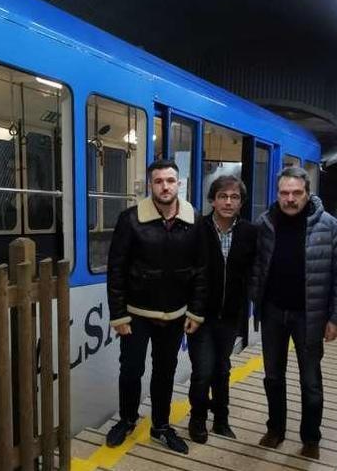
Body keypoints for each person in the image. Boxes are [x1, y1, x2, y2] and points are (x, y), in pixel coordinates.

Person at [251, 167, 337, 460]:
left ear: (307, 193)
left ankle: (311, 438)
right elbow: (255, 266)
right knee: (273, 376)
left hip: (309, 317)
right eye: (284, 193)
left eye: (296, 193)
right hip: (273, 313)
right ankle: (275, 430)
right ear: (278, 194)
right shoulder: (265, 223)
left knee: (310, 381)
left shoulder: (330, 227)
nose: (290, 199)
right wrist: (253, 295)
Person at [105, 159, 207, 454]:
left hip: (176, 314)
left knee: (166, 371)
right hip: (136, 314)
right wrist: (118, 314)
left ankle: (160, 426)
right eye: (159, 181)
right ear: (151, 184)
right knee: (131, 370)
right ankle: (127, 420)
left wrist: (196, 311)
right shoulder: (131, 219)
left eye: (170, 180)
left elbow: (201, 270)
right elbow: (116, 270)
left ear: (179, 184)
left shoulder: (194, 220)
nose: (165, 186)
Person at [187, 175, 257, 444]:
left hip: (230, 316)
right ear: (212, 200)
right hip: (199, 316)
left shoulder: (250, 233)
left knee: (222, 368)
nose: (229, 202)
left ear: (241, 202)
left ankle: (221, 420)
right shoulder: (197, 230)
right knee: (202, 369)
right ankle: (197, 419)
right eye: (223, 196)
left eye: (235, 197)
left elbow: (255, 272)